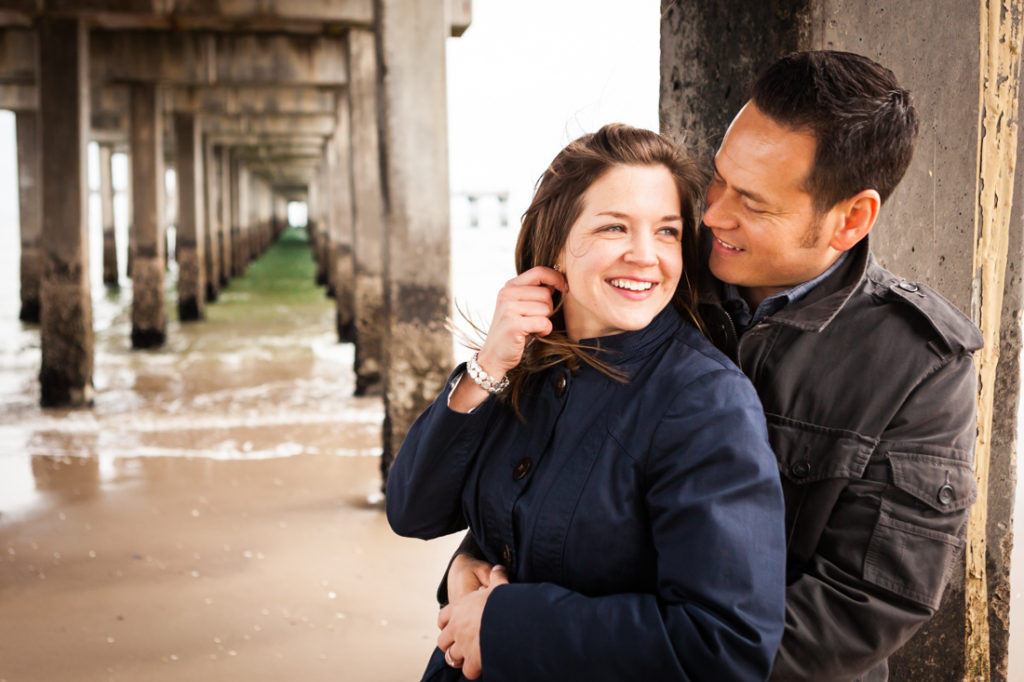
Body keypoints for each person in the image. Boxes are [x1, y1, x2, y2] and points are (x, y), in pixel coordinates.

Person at [443, 51, 983, 681]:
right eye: (718, 178)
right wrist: (478, 561)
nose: (711, 214)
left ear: (851, 218)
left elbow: (864, 605)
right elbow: (552, 440)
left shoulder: (919, 363)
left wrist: (575, 645)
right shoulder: (653, 268)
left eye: (752, 203)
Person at [386, 124, 787, 681]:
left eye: (667, 232)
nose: (646, 256)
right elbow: (413, 512)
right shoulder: (523, 362)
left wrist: (504, 622)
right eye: (614, 227)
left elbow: (723, 646)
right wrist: (485, 369)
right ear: (554, 243)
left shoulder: (705, 402)